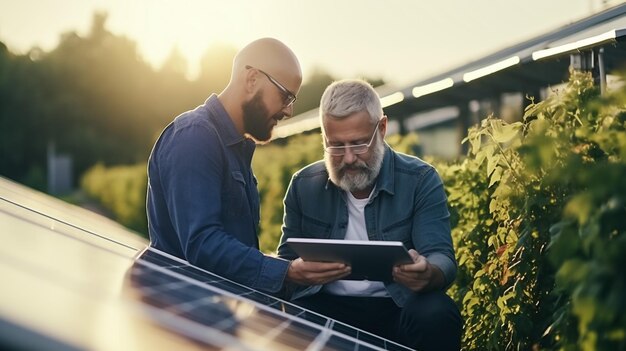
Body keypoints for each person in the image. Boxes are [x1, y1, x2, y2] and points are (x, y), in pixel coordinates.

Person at [146, 38, 350, 294]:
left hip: (213, 306)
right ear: (252, 79)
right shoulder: (195, 137)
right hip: (181, 308)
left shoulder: (234, 148)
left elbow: (232, 249)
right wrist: (286, 272)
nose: (288, 111)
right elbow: (202, 244)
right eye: (285, 96)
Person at [277, 79, 462, 350]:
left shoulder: (419, 179)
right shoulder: (303, 185)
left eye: (359, 143)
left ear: (382, 129)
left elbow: (441, 256)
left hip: (397, 306)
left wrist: (426, 272)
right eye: (336, 145)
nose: (349, 158)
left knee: (436, 313)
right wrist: (295, 272)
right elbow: (286, 264)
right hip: (326, 306)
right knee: (290, 317)